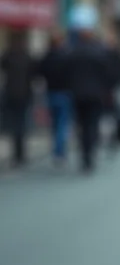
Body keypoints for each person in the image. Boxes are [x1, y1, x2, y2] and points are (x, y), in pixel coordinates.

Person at [67, 12, 110, 173]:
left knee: (82, 126)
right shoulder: (98, 52)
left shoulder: (72, 51)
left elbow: (66, 73)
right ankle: (90, 153)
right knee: (91, 125)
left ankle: (85, 155)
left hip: (78, 95)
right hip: (94, 95)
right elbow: (107, 73)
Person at [0, 30, 36, 167]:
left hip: (11, 94)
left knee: (14, 123)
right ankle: (20, 152)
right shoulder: (27, 57)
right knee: (22, 123)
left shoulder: (8, 56)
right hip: (23, 94)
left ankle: (17, 151)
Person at [37, 30, 72, 165]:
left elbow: (40, 73)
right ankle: (59, 151)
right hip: (63, 93)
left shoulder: (47, 57)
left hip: (51, 93)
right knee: (62, 123)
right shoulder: (65, 57)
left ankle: (57, 150)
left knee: (55, 124)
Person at [103, 33, 120, 155]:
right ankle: (111, 137)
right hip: (106, 90)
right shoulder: (103, 55)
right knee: (109, 116)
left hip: (112, 89)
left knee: (112, 115)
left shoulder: (110, 55)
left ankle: (113, 136)